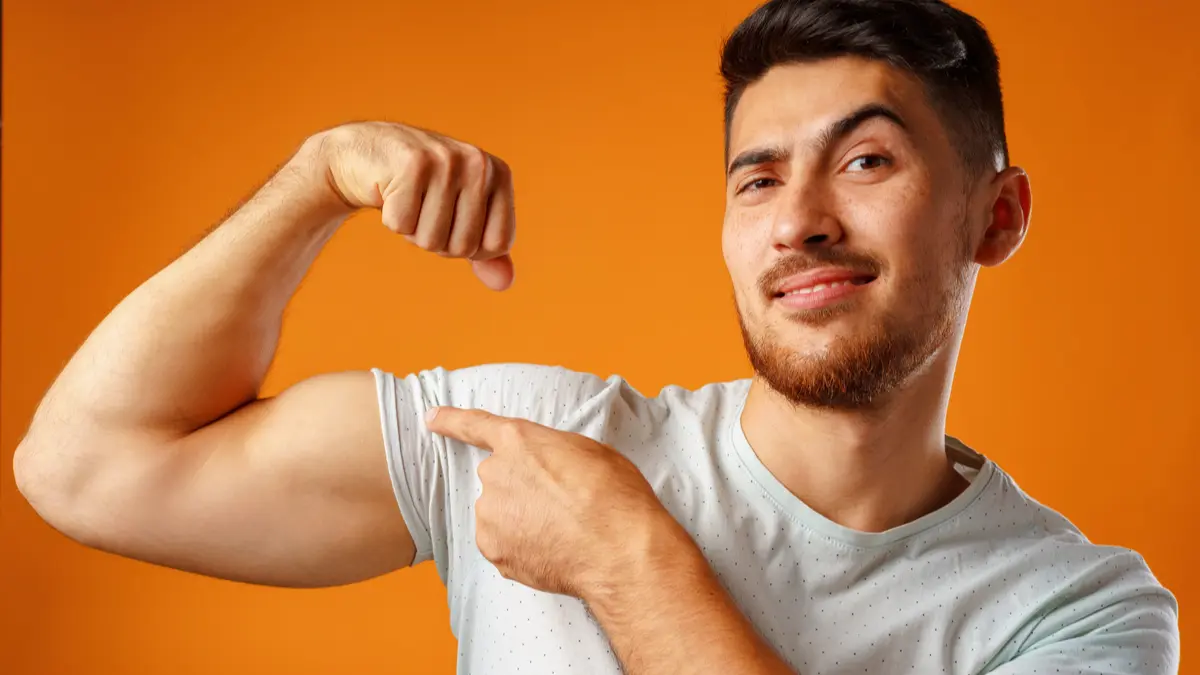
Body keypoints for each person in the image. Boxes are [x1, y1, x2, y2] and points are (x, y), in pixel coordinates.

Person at [12, 0, 1180, 673]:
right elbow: (88, 469)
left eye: (866, 161)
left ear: (999, 214)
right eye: (758, 179)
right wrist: (316, 179)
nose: (801, 223)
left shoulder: (1074, 613)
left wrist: (630, 564)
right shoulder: (539, 440)